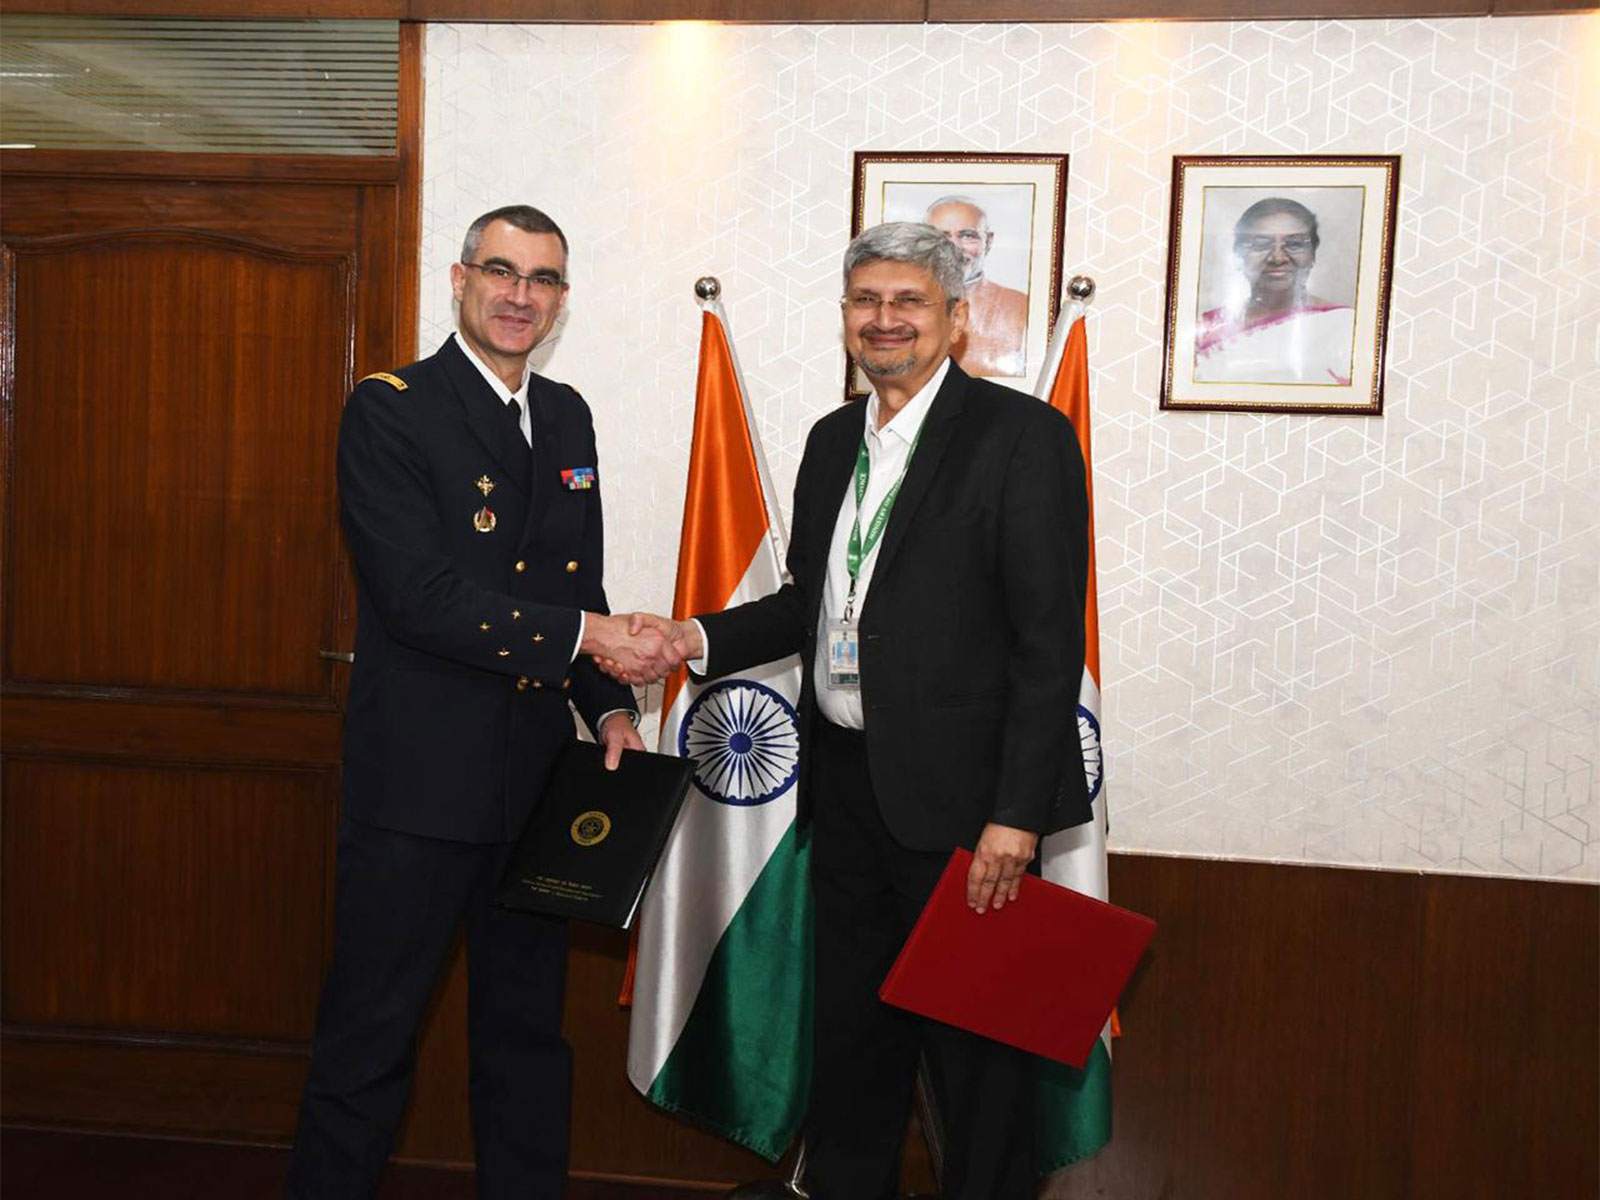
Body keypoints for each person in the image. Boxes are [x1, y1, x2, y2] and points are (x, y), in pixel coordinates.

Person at [607, 223, 1091, 1198]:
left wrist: (1014, 818)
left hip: (969, 816)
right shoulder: (835, 442)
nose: (884, 320)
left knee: (977, 1064)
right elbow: (806, 606)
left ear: (956, 321)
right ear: (843, 320)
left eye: (908, 301)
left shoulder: (1022, 439)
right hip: (851, 799)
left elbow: (1048, 648)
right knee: (854, 1046)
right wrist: (688, 639)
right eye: (865, 302)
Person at [286, 205, 671, 1200]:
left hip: (536, 790)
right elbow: (421, 602)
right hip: (416, 791)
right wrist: (593, 639)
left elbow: (566, 588)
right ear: (457, 280)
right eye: (500, 271)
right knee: (369, 1044)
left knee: (527, 1046)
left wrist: (610, 706)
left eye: (542, 279)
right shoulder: (392, 408)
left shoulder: (569, 414)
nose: (519, 295)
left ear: (562, 301)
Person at [1194, 196, 1355, 385]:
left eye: (1294, 244)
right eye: (1261, 245)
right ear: (1239, 255)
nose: (1278, 258)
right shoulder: (1207, 329)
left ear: (1312, 254)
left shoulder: (1345, 326)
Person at [924, 195, 1029, 378]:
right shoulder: (898, 305)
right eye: (941, 236)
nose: (955, 247)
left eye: (967, 235)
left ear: (988, 242)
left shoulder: (1021, 306)